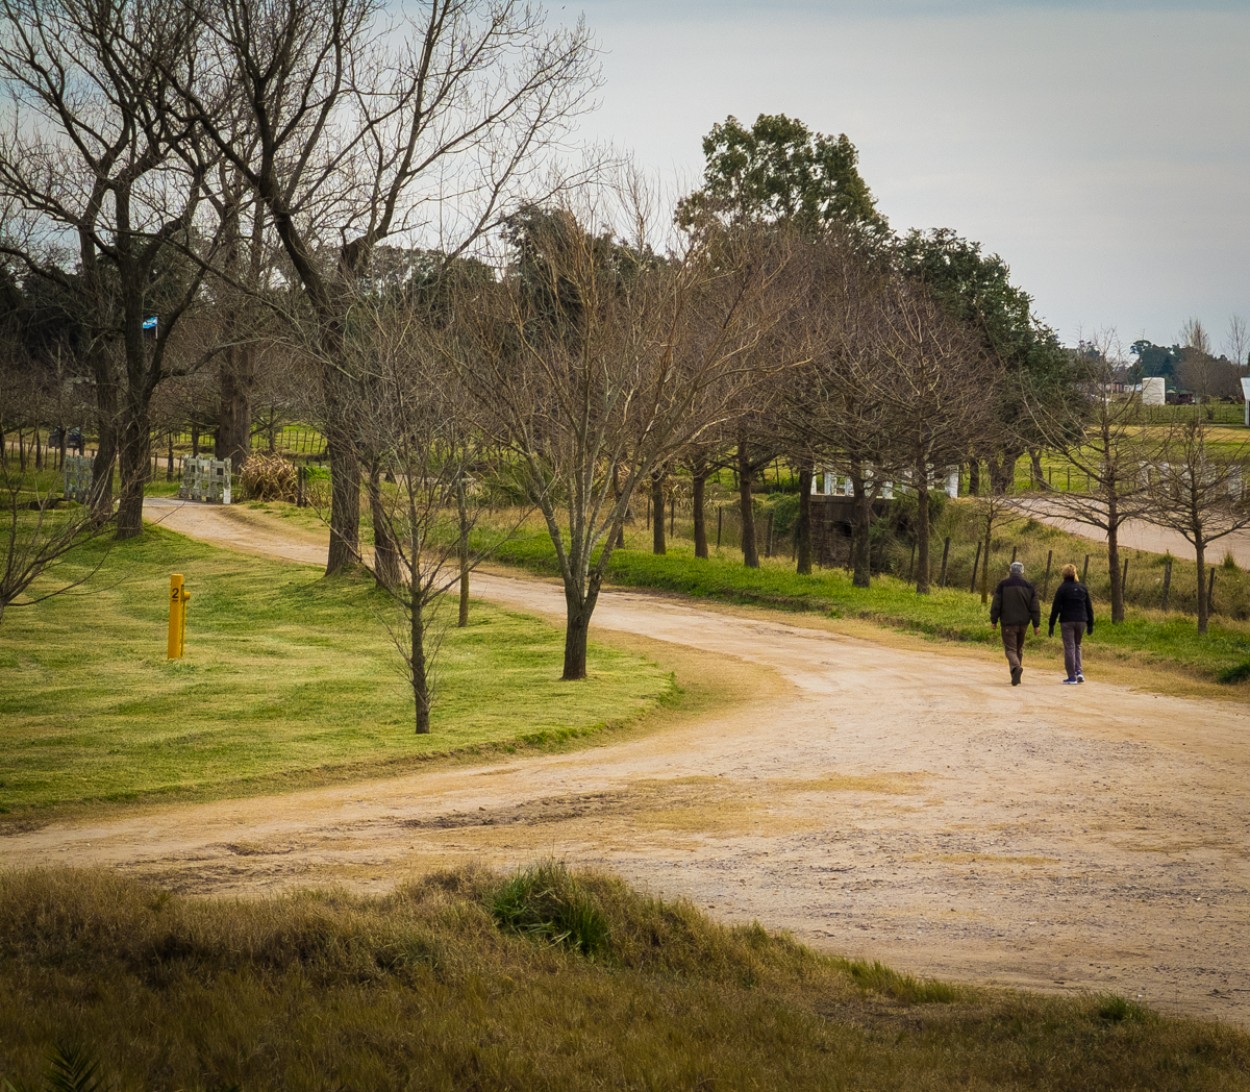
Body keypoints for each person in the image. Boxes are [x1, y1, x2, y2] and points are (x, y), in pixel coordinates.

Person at [990, 560, 1040, 686]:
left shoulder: (1003, 585)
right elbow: (1035, 607)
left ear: (1010, 571)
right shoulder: (1029, 586)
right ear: (1022, 572)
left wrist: (994, 620)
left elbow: (996, 603)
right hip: (1023, 623)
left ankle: (1016, 668)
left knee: (1010, 650)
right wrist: (1036, 624)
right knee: (1019, 649)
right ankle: (1015, 676)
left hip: (1008, 622)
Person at [1048, 563, 1094, 684]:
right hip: (1081, 620)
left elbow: (1055, 607)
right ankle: (1079, 671)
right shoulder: (1082, 588)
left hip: (1067, 620)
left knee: (1069, 646)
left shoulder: (1062, 588)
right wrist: (1090, 624)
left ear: (1064, 575)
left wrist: (1051, 624)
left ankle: (1071, 676)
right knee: (1077, 645)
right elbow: (1089, 607)